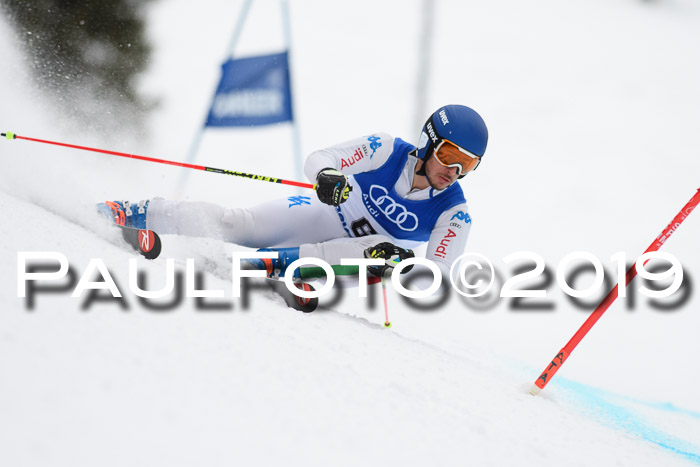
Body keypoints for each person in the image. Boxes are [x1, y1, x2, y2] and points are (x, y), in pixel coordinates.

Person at [98, 104, 488, 284]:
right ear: (429, 142)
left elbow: (437, 275)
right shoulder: (386, 148)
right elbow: (320, 158)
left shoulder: (454, 214)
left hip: (356, 258)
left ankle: (269, 268)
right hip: (324, 214)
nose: (453, 172)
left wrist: (403, 265)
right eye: (450, 155)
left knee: (380, 247)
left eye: (467, 165)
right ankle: (132, 211)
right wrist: (328, 176)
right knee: (237, 224)